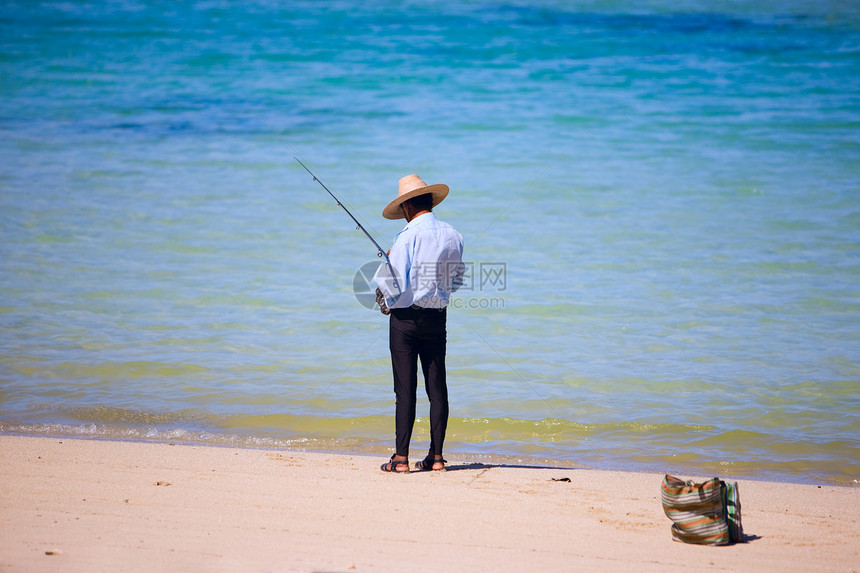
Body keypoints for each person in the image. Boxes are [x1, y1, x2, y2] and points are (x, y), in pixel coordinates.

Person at [373, 174, 464, 473]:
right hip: (437, 318)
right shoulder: (454, 235)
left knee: (405, 389)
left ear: (409, 206)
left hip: (406, 321)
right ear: (428, 201)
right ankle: (436, 457)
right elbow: (457, 280)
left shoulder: (407, 236)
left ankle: (400, 459)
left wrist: (386, 272)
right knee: (437, 387)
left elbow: (391, 283)